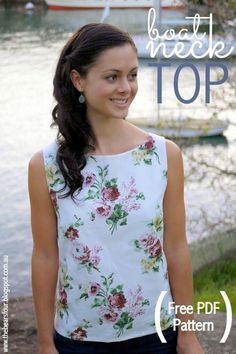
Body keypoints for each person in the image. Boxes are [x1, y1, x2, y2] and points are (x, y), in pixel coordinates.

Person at [28, 23, 204, 354]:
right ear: (78, 80)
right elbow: (45, 254)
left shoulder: (164, 155)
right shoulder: (46, 165)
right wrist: (44, 342)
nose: (126, 87)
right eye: (112, 77)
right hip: (78, 341)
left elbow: (177, 248)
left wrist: (188, 333)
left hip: (156, 335)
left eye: (132, 75)